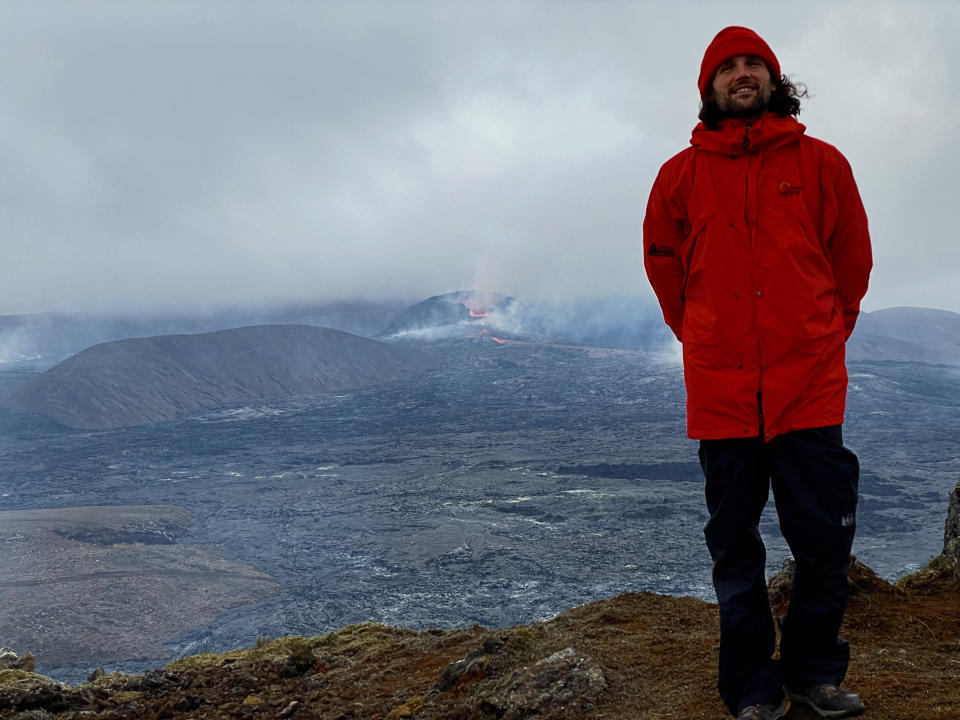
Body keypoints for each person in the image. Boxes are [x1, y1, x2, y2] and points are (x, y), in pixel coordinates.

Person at [643, 26, 872, 720]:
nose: (743, 75)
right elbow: (665, 268)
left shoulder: (823, 164)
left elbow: (850, 264)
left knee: (824, 540)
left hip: (809, 390)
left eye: (755, 65)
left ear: (774, 80)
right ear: (709, 87)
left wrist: (823, 337)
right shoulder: (679, 176)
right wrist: (706, 337)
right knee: (735, 550)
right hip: (725, 397)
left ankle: (814, 673)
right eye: (729, 67)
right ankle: (750, 687)